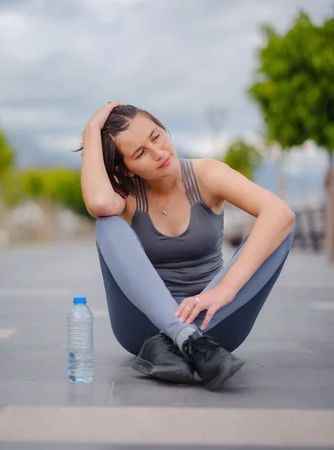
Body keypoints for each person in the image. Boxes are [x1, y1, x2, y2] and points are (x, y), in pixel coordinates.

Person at [78, 101, 295, 391]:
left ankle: (183, 341)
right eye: (140, 153)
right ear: (127, 169)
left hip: (213, 327)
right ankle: (180, 336)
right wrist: (92, 129)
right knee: (108, 223)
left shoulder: (206, 175)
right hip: (142, 331)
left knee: (280, 226)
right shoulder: (127, 196)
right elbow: (100, 203)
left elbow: (280, 213)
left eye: (156, 136)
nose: (159, 153)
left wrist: (225, 289)